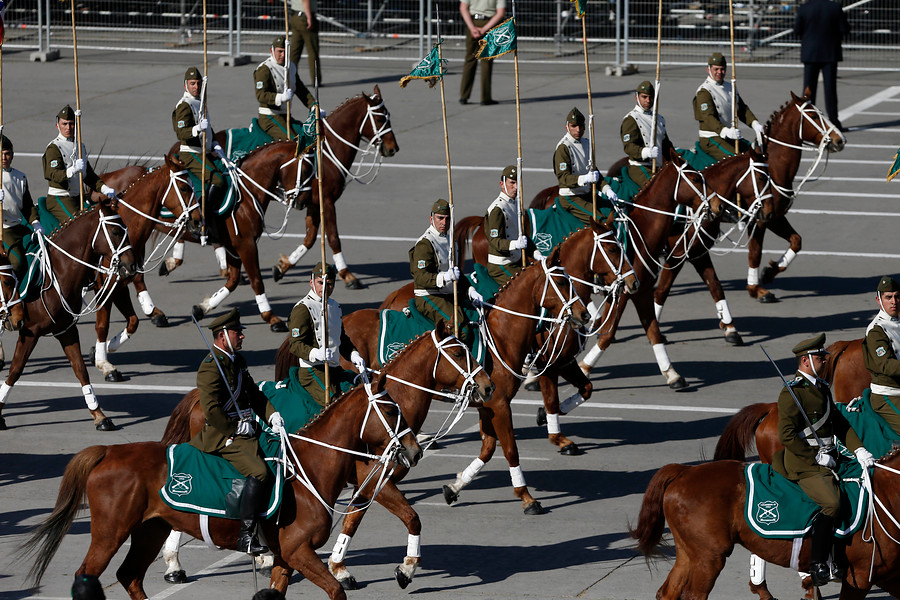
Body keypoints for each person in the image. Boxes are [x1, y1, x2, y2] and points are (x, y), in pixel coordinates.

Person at [775, 333, 875, 586]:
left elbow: (839, 424)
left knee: (863, 484)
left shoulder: (820, 387)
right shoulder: (792, 393)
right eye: (820, 357)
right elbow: (786, 435)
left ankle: (843, 555)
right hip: (804, 463)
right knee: (831, 503)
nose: (824, 361)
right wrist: (815, 458)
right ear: (806, 361)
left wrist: (859, 450)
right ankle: (818, 562)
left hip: (830, 455)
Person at [187, 308, 285, 555]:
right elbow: (210, 410)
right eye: (237, 333)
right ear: (222, 335)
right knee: (260, 472)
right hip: (223, 436)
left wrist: (271, 414)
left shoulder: (237, 361)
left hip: (247, 428)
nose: (242, 336)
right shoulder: (210, 367)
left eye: (241, 333)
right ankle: (246, 535)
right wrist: (234, 428)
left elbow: (253, 393)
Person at [287, 261, 366, 407]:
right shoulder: (303, 308)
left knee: (364, 391)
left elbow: (341, 339)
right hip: (312, 372)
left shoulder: (335, 306)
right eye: (320, 283)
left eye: (329, 284)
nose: (325, 288)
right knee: (337, 407)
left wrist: (354, 355)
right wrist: (316, 353)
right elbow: (295, 345)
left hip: (334, 369)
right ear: (311, 282)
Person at [410, 199, 483, 343]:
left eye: (447, 218)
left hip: (449, 292)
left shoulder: (451, 240)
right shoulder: (425, 244)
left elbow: (456, 273)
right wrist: (445, 277)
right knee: (460, 330)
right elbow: (420, 277)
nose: (444, 222)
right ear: (432, 219)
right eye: (440, 218)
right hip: (429, 296)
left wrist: (470, 290)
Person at [172, 66, 227, 234]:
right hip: (190, 152)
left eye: (198, 83)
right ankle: (203, 219)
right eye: (192, 83)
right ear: (185, 86)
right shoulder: (184, 105)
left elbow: (209, 129)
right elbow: (181, 133)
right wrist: (196, 129)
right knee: (217, 180)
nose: (196, 86)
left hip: (204, 150)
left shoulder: (201, 102)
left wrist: (216, 145)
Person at [42, 105, 116, 227]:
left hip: (78, 197)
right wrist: (73, 170)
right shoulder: (54, 148)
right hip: (60, 198)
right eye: (64, 124)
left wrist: (104, 189)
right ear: (57, 126)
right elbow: (52, 174)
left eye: (71, 124)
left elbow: (89, 175)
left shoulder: (80, 146)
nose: (68, 128)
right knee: (78, 225)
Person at [692, 52, 765, 161]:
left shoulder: (731, 87)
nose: (719, 72)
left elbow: (741, 109)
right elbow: (708, 117)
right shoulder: (704, 91)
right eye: (716, 69)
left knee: (757, 152)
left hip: (729, 136)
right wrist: (725, 131)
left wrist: (754, 123)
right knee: (739, 161)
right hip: (711, 137)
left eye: (722, 69)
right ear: (708, 69)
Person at [553, 107, 618, 225]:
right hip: (571, 196)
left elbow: (594, 171)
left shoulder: (587, 143)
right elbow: (563, 178)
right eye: (574, 126)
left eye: (581, 126)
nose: (578, 130)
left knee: (617, 213)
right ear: (567, 127)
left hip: (586, 193)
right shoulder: (563, 148)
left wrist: (606, 189)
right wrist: (585, 179)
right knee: (601, 222)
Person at [794, 0, 850, 131]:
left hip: (810, 51)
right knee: (830, 88)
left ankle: (808, 120)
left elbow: (797, 30)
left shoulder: (804, 8)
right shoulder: (835, 7)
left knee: (808, 88)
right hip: (829, 51)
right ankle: (834, 120)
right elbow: (844, 28)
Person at [484, 165, 542, 286]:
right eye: (512, 183)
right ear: (502, 184)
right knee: (526, 287)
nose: (516, 187)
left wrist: (537, 254)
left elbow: (523, 235)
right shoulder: (497, 209)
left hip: (516, 259)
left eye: (518, 183)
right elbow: (494, 241)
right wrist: (515, 244)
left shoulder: (516, 205)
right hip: (501, 264)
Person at [254, 35, 318, 142]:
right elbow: (261, 95)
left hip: (286, 115)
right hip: (269, 117)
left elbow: (301, 89)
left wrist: (313, 106)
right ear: (272, 50)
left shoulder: (291, 66)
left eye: (285, 51)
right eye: (280, 51)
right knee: (293, 143)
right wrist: (281, 97)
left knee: (309, 135)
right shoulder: (264, 69)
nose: (283, 55)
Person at [862, 275, 900, 436]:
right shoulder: (877, 330)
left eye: (897, 296)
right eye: (888, 297)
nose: (894, 301)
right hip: (888, 395)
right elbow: (886, 365)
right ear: (879, 300)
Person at [620, 80, 677, 189]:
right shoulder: (631, 119)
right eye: (644, 97)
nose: (648, 100)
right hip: (640, 167)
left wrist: (677, 159)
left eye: (651, 97)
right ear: (637, 97)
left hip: (658, 166)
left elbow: (666, 145)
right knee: (658, 188)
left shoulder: (659, 119)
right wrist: (646, 152)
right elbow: (628, 147)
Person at [1, 135, 42, 279]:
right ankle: (12, 294)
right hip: (4, 229)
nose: (4, 157)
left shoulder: (20, 177)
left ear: (12, 155)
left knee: (43, 249)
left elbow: (28, 206)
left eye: (7, 154)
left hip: (19, 226)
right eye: (1, 154)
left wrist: (35, 222)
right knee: (17, 262)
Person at [458, 0, 506, 106]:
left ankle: (464, 95)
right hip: (489, 23)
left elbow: (463, 8)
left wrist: (472, 28)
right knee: (486, 61)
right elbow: (500, 13)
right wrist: (484, 29)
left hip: (473, 22)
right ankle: (485, 97)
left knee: (470, 60)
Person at [288, 0, 322, 85]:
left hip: (295, 16)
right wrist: (309, 17)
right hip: (304, 16)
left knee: (294, 52)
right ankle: (315, 80)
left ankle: (289, 79)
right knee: (312, 51)